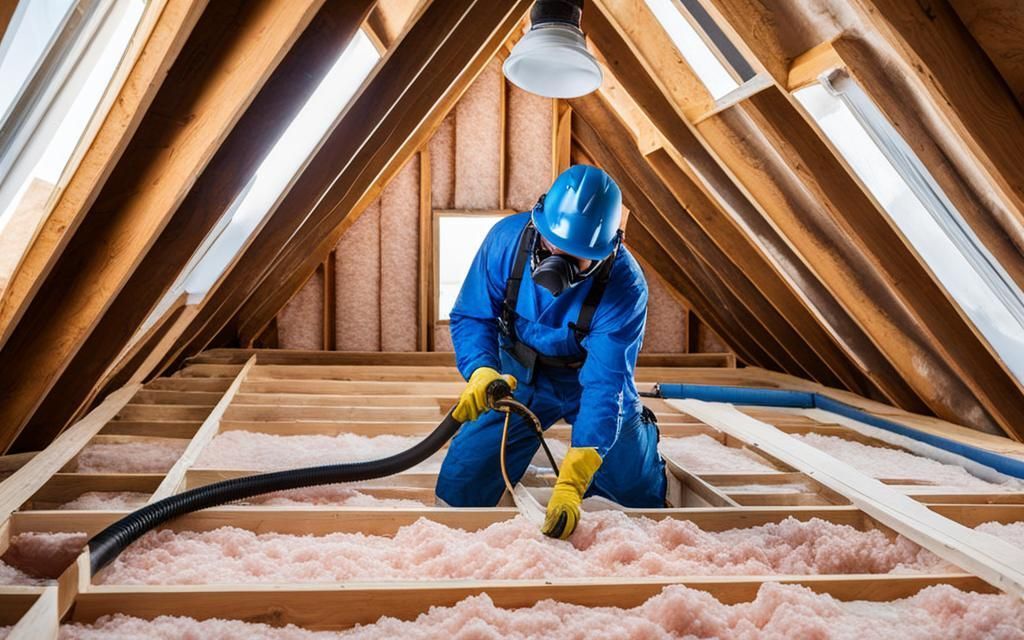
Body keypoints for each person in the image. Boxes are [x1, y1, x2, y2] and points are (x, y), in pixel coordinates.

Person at [435, 164, 665, 539]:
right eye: (552, 247)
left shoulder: (625, 287)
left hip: (586, 378)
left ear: (608, 249)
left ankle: (640, 441)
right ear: (539, 224)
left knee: (636, 496)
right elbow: (473, 315)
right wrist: (481, 369)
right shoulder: (506, 242)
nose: (557, 262)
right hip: (518, 373)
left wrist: (572, 481)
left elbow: (605, 385)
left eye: (576, 257)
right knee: (461, 488)